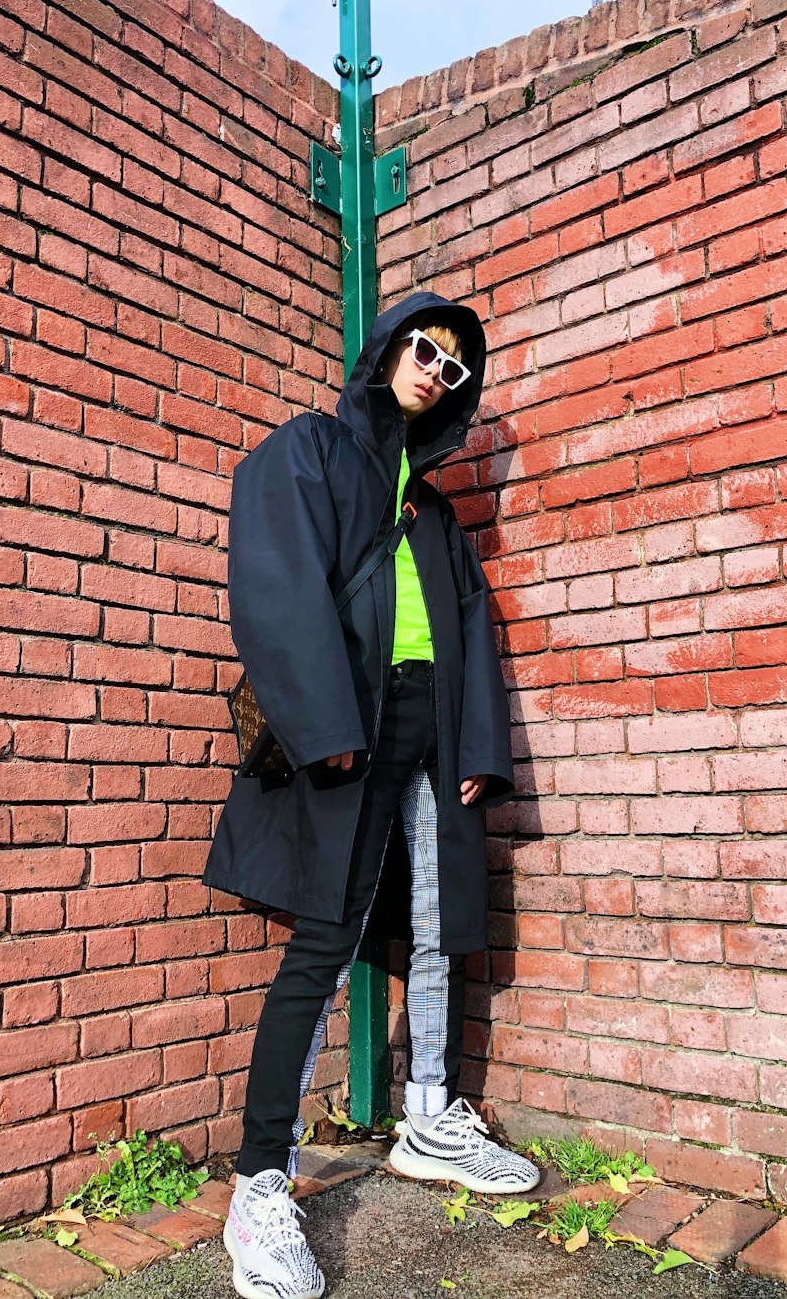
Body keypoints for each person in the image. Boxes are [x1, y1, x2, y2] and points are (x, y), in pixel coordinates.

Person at [204, 292, 539, 1299]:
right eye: (425, 348)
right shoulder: (307, 451)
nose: (437, 369)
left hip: (434, 742)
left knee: (440, 931)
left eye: (455, 367)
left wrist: (476, 746)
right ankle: (262, 1183)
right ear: (387, 348)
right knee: (321, 941)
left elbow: (473, 638)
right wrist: (324, 729)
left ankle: (431, 1117)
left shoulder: (438, 520)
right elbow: (275, 581)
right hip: (348, 728)